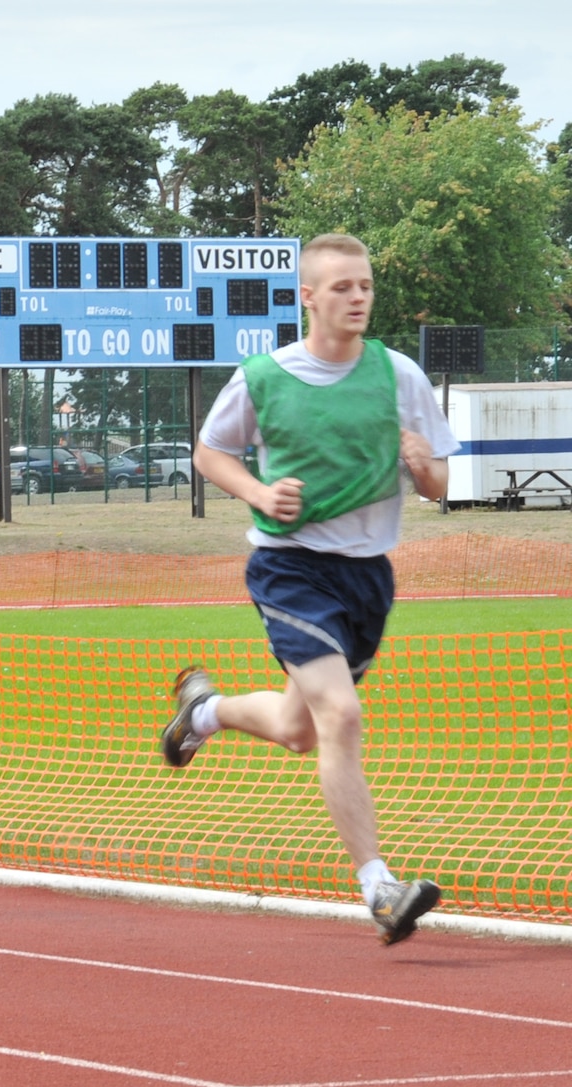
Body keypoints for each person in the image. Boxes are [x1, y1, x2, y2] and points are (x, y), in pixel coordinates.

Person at [159, 233, 456, 945]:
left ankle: (204, 713)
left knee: (301, 730)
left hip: (367, 577)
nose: (358, 297)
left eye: (366, 286)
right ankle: (380, 887)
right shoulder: (265, 375)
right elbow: (209, 452)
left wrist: (423, 467)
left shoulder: (399, 375)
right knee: (342, 717)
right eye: (344, 287)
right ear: (308, 297)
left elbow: (441, 486)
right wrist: (261, 490)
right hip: (289, 566)